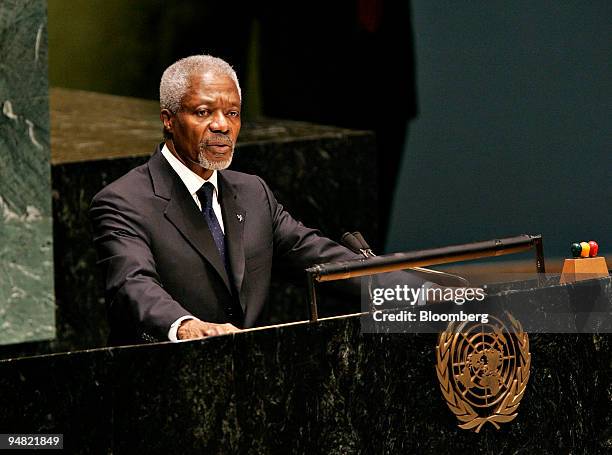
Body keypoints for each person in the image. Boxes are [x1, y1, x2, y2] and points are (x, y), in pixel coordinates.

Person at [90, 55, 425, 345]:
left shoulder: (252, 193)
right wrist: (187, 327)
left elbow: (322, 259)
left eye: (233, 113)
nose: (221, 125)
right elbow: (132, 285)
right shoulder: (123, 202)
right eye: (204, 112)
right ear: (168, 120)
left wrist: (425, 291)